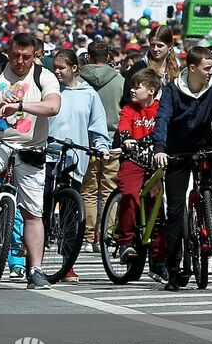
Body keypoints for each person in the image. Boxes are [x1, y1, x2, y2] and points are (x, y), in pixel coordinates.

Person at [0, 31, 63, 290]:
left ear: (35, 56)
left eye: (26, 57)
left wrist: (20, 106)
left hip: (31, 146)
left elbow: (53, 107)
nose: (20, 61)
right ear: (8, 52)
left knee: (33, 212)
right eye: (16, 55)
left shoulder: (44, 76)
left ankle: (36, 269)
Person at [151, 45, 212, 291]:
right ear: (192, 68)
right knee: (174, 211)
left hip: (205, 144)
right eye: (207, 68)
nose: (211, 72)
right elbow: (162, 119)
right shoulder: (172, 90)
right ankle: (173, 270)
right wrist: (160, 148)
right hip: (176, 150)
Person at [45, 48, 111, 283]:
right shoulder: (49, 90)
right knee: (40, 206)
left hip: (75, 158)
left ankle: (67, 263)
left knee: (70, 213)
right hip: (47, 155)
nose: (57, 71)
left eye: (61, 67)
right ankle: (30, 256)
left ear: (75, 69)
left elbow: (97, 125)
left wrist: (101, 146)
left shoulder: (89, 94)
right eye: (55, 67)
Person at [115, 69, 163, 275]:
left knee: (160, 209)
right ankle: (125, 241)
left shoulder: (161, 109)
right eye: (132, 86)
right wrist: (126, 137)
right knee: (130, 195)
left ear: (151, 90)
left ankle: (159, 260)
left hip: (155, 163)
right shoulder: (129, 109)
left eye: (137, 87)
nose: (132, 91)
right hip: (133, 160)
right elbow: (123, 125)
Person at [79, 39, 123, 252]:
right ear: (108, 56)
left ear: (88, 56)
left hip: (85, 138)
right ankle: (106, 233)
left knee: (88, 190)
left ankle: (88, 237)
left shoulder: (79, 80)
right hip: (112, 137)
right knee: (109, 189)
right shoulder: (120, 81)